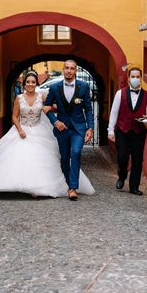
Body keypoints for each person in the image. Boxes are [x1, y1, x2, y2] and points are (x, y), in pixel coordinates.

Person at [0, 71, 94, 197]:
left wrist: (64, 111)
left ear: (36, 83)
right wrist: (20, 130)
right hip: (22, 129)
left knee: (42, 157)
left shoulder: (42, 96)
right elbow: (14, 117)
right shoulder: (19, 98)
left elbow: (51, 107)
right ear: (24, 84)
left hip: (38, 130)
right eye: (28, 82)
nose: (30, 84)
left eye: (33, 82)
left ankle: (39, 187)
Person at [43, 59, 94, 201]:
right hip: (62, 129)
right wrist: (55, 121)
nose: (69, 71)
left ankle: (73, 188)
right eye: (67, 68)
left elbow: (88, 109)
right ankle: (67, 184)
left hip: (79, 128)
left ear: (75, 71)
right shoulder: (54, 88)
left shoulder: (84, 87)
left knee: (76, 152)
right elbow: (46, 108)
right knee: (64, 157)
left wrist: (90, 128)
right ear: (63, 69)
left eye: (72, 68)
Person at [107, 67, 147, 195]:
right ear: (129, 78)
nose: (135, 79)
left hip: (139, 132)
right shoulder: (121, 93)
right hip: (123, 130)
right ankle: (122, 175)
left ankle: (134, 187)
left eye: (137, 77)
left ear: (141, 78)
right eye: (133, 76)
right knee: (122, 157)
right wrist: (111, 130)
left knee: (137, 159)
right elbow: (114, 113)